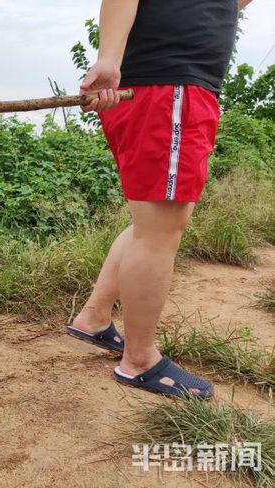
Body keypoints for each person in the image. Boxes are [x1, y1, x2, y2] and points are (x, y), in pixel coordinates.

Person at [66, 0, 253, 398]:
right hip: (168, 85)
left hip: (174, 84)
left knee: (150, 224)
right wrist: (109, 60)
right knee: (161, 230)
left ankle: (94, 319)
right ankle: (139, 361)